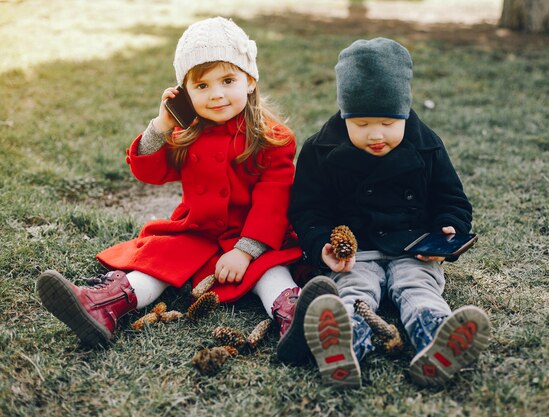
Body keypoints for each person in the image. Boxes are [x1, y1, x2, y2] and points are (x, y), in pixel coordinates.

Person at [36, 17, 337, 364]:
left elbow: (275, 198)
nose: (217, 94)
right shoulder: (185, 133)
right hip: (198, 233)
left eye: (228, 80)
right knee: (157, 263)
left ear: (250, 80)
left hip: (255, 239)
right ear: (184, 92)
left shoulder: (272, 138)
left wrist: (246, 250)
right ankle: (102, 306)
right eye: (202, 86)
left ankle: (295, 319)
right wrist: (161, 125)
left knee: (272, 273)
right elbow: (148, 170)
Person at [289, 38, 491, 388]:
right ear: (344, 114)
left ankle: (439, 341)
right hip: (356, 255)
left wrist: (448, 229)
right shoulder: (320, 150)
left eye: (387, 122)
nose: (376, 134)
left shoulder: (427, 145)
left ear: (405, 112)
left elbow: (452, 199)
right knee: (353, 293)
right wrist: (322, 243)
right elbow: (308, 209)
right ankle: (343, 347)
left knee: (418, 289)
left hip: (414, 247)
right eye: (362, 123)